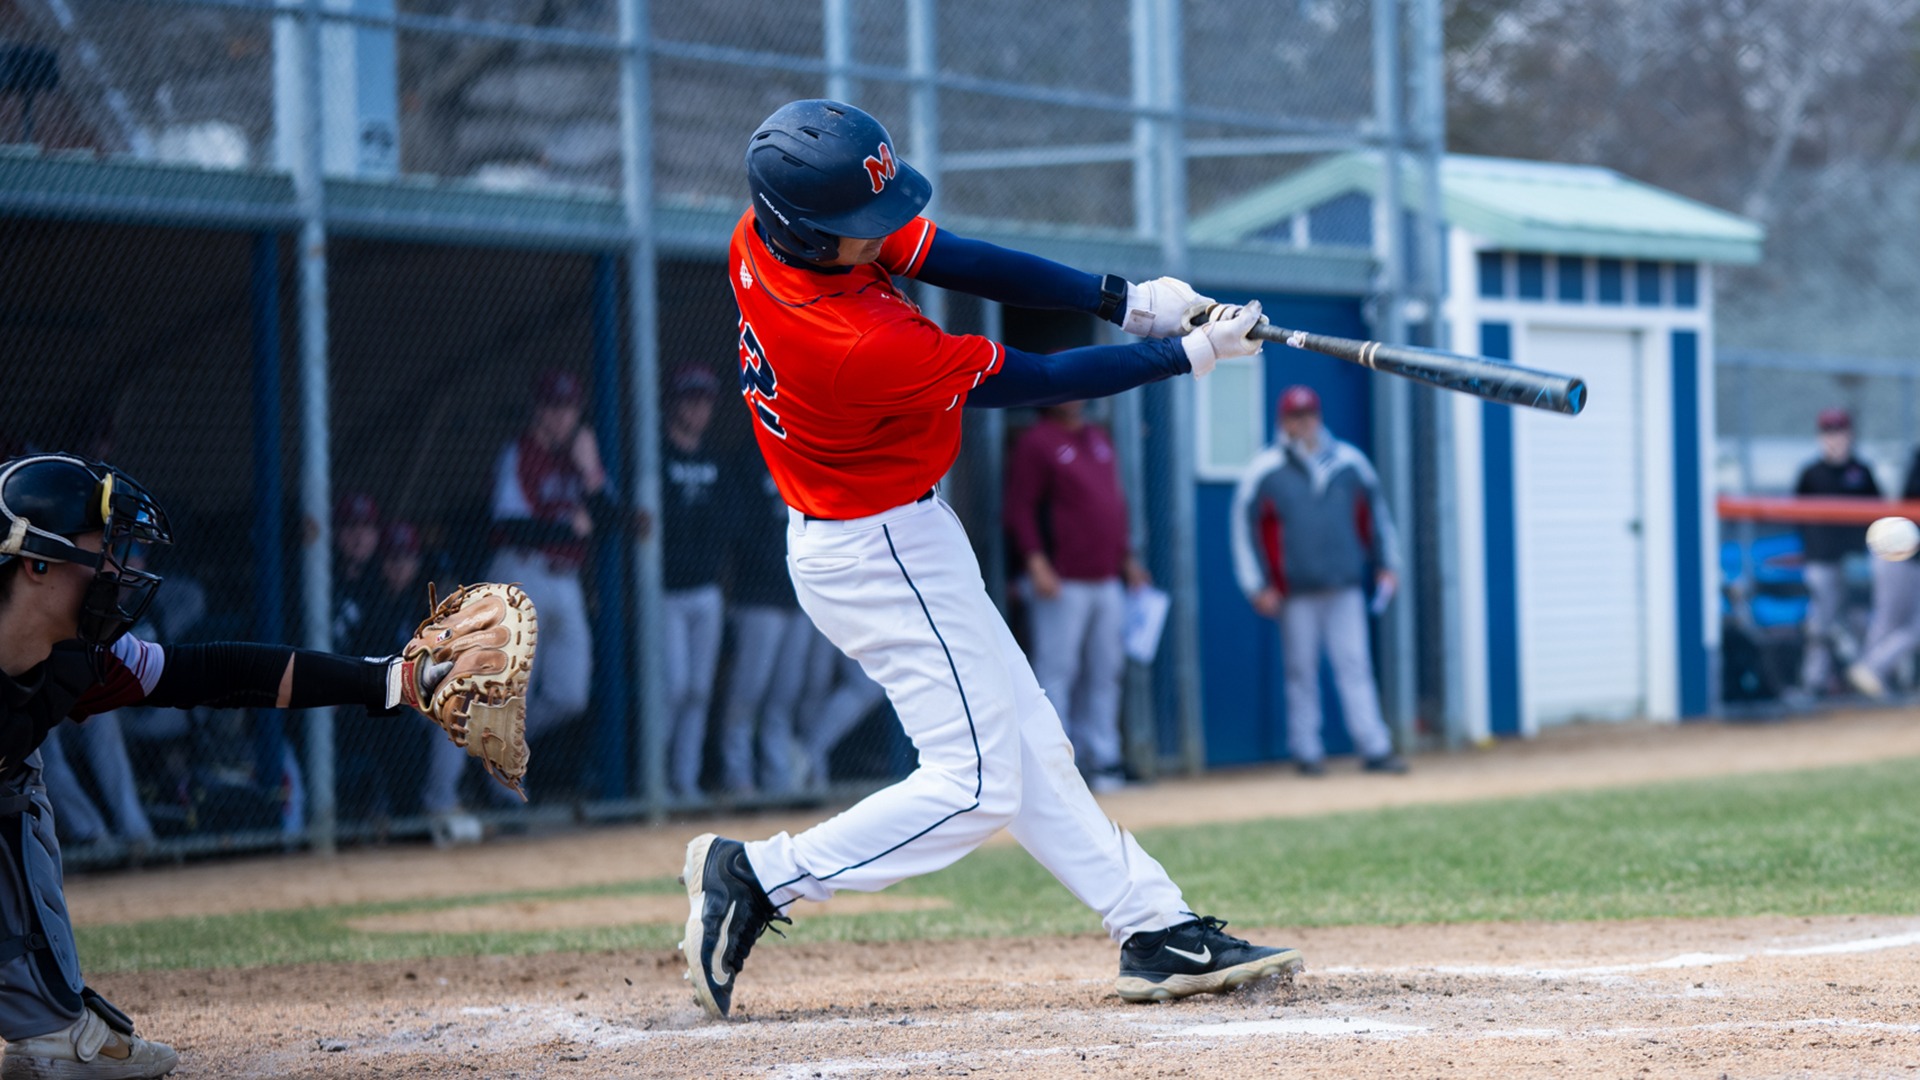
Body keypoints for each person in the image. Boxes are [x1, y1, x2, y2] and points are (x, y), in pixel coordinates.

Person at [681, 98, 1293, 1021]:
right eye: (862, 221)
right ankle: (760, 877)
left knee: (1029, 740)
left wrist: (1121, 299)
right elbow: (1036, 379)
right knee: (975, 782)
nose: (883, 230)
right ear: (806, 229)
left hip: (896, 532)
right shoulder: (857, 343)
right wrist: (1188, 352)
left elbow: (953, 256)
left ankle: (1155, 927)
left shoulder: (767, 236)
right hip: (876, 552)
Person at [0, 452, 488, 1076]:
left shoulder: (81, 654)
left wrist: (390, 680)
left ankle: (51, 1028)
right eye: (103, 550)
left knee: (16, 779)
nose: (119, 570)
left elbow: (218, 672)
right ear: (36, 563)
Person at [439, 369, 603, 812]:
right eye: (553, 407)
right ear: (537, 410)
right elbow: (508, 523)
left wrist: (591, 472)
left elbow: (607, 517)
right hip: (520, 571)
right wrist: (566, 528)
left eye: (569, 408)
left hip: (566, 580)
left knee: (571, 694)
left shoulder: (579, 456)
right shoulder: (519, 453)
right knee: (514, 689)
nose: (562, 417)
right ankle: (502, 791)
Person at [1230, 386, 1408, 777]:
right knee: (1300, 671)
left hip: (1344, 584)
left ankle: (1375, 747)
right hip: (1294, 591)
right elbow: (1245, 529)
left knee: (1355, 665)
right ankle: (1306, 751)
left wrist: (1386, 563)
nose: (1303, 422)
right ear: (1283, 421)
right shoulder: (1265, 469)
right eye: (1295, 416)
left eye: (1309, 413)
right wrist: (1256, 585)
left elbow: (1376, 515)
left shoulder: (1350, 462)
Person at [1004, 400, 1148, 793]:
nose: (1076, 399)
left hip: (1107, 576)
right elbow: (1020, 508)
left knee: (1105, 671)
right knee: (1056, 672)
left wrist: (1127, 558)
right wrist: (1035, 561)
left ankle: (1103, 760)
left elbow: (1112, 505)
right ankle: (1054, 767)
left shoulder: (1097, 438)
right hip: (1061, 579)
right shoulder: (1037, 441)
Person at [715, 447, 810, 797]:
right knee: (747, 694)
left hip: (798, 596)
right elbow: (739, 531)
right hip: (757, 597)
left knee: (785, 694)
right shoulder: (748, 461)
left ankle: (778, 780)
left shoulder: (803, 453)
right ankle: (737, 777)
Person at [661, 366, 729, 802]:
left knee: (700, 689)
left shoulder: (716, 460)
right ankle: (655, 778)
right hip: (666, 593)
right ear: (673, 402)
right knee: (674, 686)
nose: (699, 408)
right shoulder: (657, 456)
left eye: (705, 401)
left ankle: (684, 781)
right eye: (691, 399)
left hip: (706, 590)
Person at [1791, 407, 1879, 702]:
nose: (1834, 438)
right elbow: (1796, 518)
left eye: (1839, 432)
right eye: (1828, 432)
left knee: (1861, 620)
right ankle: (1814, 682)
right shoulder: (1811, 474)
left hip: (1856, 560)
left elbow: (1879, 512)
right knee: (1820, 623)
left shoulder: (1861, 472)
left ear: (1849, 435)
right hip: (1822, 560)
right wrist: (1811, 550)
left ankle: (1865, 679)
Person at [1849, 448, 1920, 699]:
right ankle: (1870, 669)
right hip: (1898, 553)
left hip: (1907, 557)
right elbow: (1912, 495)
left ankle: (1870, 671)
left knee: (1901, 624)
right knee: (1892, 621)